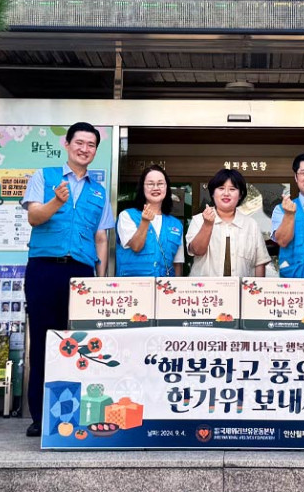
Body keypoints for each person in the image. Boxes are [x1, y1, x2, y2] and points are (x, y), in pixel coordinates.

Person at [20, 121, 113, 438]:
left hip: (82, 273)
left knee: (77, 344)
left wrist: (100, 280)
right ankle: (40, 417)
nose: (85, 149)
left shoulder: (98, 191)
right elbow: (34, 217)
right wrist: (56, 202)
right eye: (80, 143)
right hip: (45, 268)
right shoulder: (45, 176)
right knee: (43, 341)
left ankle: (72, 413)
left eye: (91, 145)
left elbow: (101, 238)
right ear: (67, 144)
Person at [187, 168, 271, 277]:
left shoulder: (251, 225)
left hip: (241, 287)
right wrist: (207, 225)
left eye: (232, 189)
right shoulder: (198, 220)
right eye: (221, 188)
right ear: (213, 193)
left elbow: (259, 263)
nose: (226, 193)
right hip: (206, 287)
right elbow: (197, 250)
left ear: (240, 194)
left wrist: (257, 287)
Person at [115, 164, 184, 277]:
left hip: (165, 285)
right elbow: (136, 246)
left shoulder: (176, 224)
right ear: (142, 188)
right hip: (133, 284)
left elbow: (177, 264)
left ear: (166, 188)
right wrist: (144, 222)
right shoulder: (127, 216)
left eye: (160, 184)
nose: (155, 188)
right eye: (150, 184)